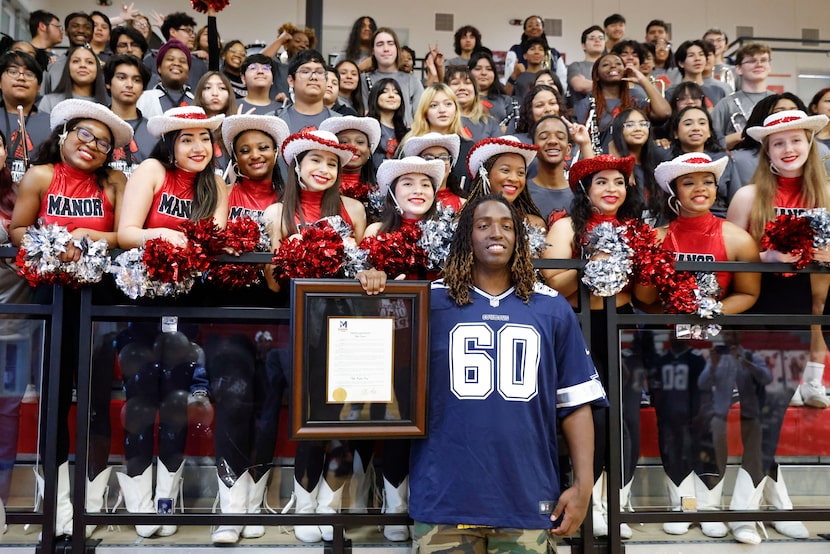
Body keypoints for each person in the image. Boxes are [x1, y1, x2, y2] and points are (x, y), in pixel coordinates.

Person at [409, 192, 606, 552]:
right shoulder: (428, 301)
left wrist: (584, 484)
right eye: (482, 225)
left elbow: (575, 404)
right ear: (466, 236)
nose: (495, 233)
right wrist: (372, 289)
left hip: (526, 499)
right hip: (444, 499)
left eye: (506, 226)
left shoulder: (550, 307)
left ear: (519, 237)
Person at [9, 99, 133, 538]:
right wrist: (50, 242)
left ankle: (89, 504)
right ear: (64, 134)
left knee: (98, 400)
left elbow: (123, 233)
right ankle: (56, 505)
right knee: (54, 399)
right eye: (84, 134)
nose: (92, 146)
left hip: (98, 301)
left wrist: (84, 234)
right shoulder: (41, 176)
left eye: (102, 142)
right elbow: (18, 229)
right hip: (52, 298)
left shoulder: (115, 181)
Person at [114, 106, 227, 538]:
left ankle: (166, 501)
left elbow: (211, 245)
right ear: (170, 144)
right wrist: (163, 235)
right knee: (142, 401)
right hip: (141, 305)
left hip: (188, 306)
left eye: (204, 138)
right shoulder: (150, 170)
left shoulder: (215, 183)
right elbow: (127, 232)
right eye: (187, 139)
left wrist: (193, 245)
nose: (198, 147)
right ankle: (141, 504)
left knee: (178, 402)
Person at [260, 130, 375, 543]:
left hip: (347, 329)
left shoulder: (355, 211)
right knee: (310, 420)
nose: (324, 170)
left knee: (343, 421)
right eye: (315, 161)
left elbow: (364, 275)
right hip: (298, 329)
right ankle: (305, 504)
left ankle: (330, 506)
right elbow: (273, 287)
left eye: (332, 163)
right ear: (296, 165)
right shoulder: (276, 214)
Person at [642, 153, 760, 537]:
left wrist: (710, 310)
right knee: (672, 417)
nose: (700, 189)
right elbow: (643, 297)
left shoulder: (737, 238)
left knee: (712, 420)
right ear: (674, 191)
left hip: (717, 346)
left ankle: (709, 500)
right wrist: (672, 304)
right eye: (689, 182)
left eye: (707, 182)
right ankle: (682, 499)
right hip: (667, 345)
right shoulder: (657, 237)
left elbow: (748, 292)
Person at [727, 110, 830, 542]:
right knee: (758, 413)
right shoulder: (749, 197)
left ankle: (744, 506)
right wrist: (762, 258)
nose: (789, 150)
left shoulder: (825, 198)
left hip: (797, 310)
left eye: (796, 141)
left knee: (770, 411)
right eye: (778, 143)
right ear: (767, 151)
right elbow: (725, 261)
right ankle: (765, 503)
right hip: (754, 309)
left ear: (810, 146)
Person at [541, 154, 643, 539]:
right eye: (601, 182)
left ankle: (613, 500)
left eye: (618, 182)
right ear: (584, 188)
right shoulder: (566, 226)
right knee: (593, 416)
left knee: (626, 417)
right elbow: (551, 284)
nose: (611, 189)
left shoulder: (635, 229)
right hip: (579, 327)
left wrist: (637, 264)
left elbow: (647, 293)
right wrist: (590, 264)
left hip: (624, 323)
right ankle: (585, 495)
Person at [208, 113, 289, 545]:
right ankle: (229, 510)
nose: (255, 155)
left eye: (262, 147)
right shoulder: (221, 190)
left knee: (267, 404)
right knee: (234, 399)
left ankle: (255, 505)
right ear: (234, 157)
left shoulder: (291, 194)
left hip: (280, 313)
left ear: (276, 152)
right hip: (229, 313)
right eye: (244, 149)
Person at [663, 106, 740, 217]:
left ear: (709, 132)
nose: (696, 128)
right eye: (688, 124)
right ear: (675, 133)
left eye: (702, 123)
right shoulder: (667, 161)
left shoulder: (722, 159)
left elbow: (735, 198)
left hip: (720, 221)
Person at [464, 135, 546, 231]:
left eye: (520, 173)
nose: (514, 178)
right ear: (486, 173)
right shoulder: (465, 222)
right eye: (505, 170)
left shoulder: (535, 225)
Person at [400, 84, 474, 186]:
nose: (442, 110)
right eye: (433, 105)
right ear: (424, 111)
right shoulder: (411, 145)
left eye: (448, 104)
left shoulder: (470, 148)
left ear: (456, 110)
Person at [528, 114, 593, 225]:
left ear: (568, 149)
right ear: (534, 148)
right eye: (544, 137)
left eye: (560, 137)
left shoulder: (580, 194)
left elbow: (597, 182)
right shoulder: (522, 192)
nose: (553, 141)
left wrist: (585, 143)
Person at [0, 51, 52, 183]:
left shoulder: (52, 123)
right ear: (0, 82)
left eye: (29, 74)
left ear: (39, 87)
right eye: (13, 72)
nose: (21, 78)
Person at [710, 42, 774, 149]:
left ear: (769, 66)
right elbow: (711, 144)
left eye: (763, 60)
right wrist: (737, 137)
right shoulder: (725, 105)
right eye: (752, 61)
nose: (759, 64)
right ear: (738, 69)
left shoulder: (778, 102)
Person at [104, 54, 155, 179]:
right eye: (121, 78)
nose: (129, 84)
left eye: (137, 80)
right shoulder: (96, 126)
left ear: (143, 88)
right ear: (108, 83)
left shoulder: (153, 131)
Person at [360, 27, 423, 125]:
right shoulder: (364, 79)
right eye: (380, 44)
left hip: (407, 137)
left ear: (397, 49)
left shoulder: (412, 80)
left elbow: (420, 117)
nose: (386, 49)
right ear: (373, 51)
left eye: (390, 43)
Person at [607, 108, 662, 223]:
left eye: (643, 124)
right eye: (630, 125)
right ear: (618, 130)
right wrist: (623, 164)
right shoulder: (611, 167)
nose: (638, 129)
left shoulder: (656, 163)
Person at [319, 115, 380, 207]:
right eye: (344, 142)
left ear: (369, 150)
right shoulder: (319, 185)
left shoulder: (381, 189)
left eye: (360, 142)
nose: (353, 148)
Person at [402, 132, 466, 211]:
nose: (437, 162)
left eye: (443, 157)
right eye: (428, 158)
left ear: (450, 165)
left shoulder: (464, 205)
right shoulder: (407, 202)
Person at [503, 15, 567, 91]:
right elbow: (508, 77)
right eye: (530, 25)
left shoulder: (553, 53)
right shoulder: (516, 50)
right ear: (525, 31)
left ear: (542, 29)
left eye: (537, 25)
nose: (534, 28)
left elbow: (562, 81)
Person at [38, 45, 109, 113]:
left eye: (89, 62)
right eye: (76, 61)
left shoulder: (108, 104)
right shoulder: (49, 101)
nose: (83, 65)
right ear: (67, 68)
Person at [136, 39, 195, 119]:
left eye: (182, 61)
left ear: (188, 72)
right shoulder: (144, 98)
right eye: (170, 59)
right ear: (159, 68)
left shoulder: (195, 101)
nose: (176, 63)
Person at [193, 71, 237, 176]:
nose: (215, 93)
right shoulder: (188, 127)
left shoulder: (235, 130)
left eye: (222, 88)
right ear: (200, 93)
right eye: (208, 88)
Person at [444, 66, 500, 143]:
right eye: (455, 83)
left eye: (467, 83)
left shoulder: (489, 123)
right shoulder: (441, 120)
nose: (462, 88)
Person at [367, 78, 409, 169]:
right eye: (385, 91)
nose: (391, 95)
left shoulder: (406, 133)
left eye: (396, 92)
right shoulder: (367, 127)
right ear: (375, 96)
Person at [468, 51, 512, 128]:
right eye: (478, 69)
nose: (484, 73)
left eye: (489, 69)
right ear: (469, 72)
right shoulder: (462, 99)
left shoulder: (505, 100)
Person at [568, 26, 606, 108]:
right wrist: (610, 86)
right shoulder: (575, 66)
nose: (597, 40)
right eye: (592, 38)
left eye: (601, 38)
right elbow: (579, 85)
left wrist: (589, 83)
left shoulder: (611, 66)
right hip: (583, 115)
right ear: (583, 45)